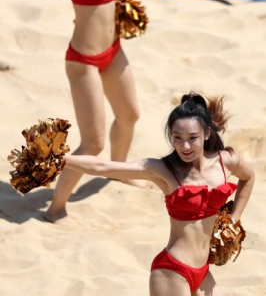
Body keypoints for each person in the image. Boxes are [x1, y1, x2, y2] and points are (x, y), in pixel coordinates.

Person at [0, 0, 144, 225]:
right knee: (92, 142)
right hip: (84, 62)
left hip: (114, 51)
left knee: (129, 115)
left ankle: (118, 172)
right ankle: (55, 208)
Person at [61, 92, 254, 296]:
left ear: (207, 133)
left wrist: (234, 219)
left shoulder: (227, 161)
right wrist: (59, 159)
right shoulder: (163, 170)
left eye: (192, 138)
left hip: (203, 271)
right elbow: (102, 167)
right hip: (173, 272)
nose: (185, 146)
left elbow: (248, 178)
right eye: (177, 138)